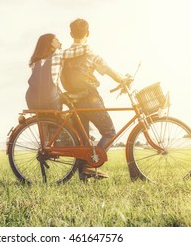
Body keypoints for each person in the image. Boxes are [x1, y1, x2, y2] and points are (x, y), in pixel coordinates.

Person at [60, 18, 126, 180]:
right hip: (90, 98)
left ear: (71, 34)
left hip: (74, 100)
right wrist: (122, 79)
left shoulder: (64, 55)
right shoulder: (90, 54)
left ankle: (85, 174)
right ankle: (91, 164)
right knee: (109, 132)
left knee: (83, 141)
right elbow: (109, 71)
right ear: (88, 33)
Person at [25, 33, 88, 110]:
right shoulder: (58, 55)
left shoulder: (35, 62)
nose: (60, 42)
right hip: (50, 101)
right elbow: (84, 50)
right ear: (51, 44)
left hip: (31, 102)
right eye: (57, 40)